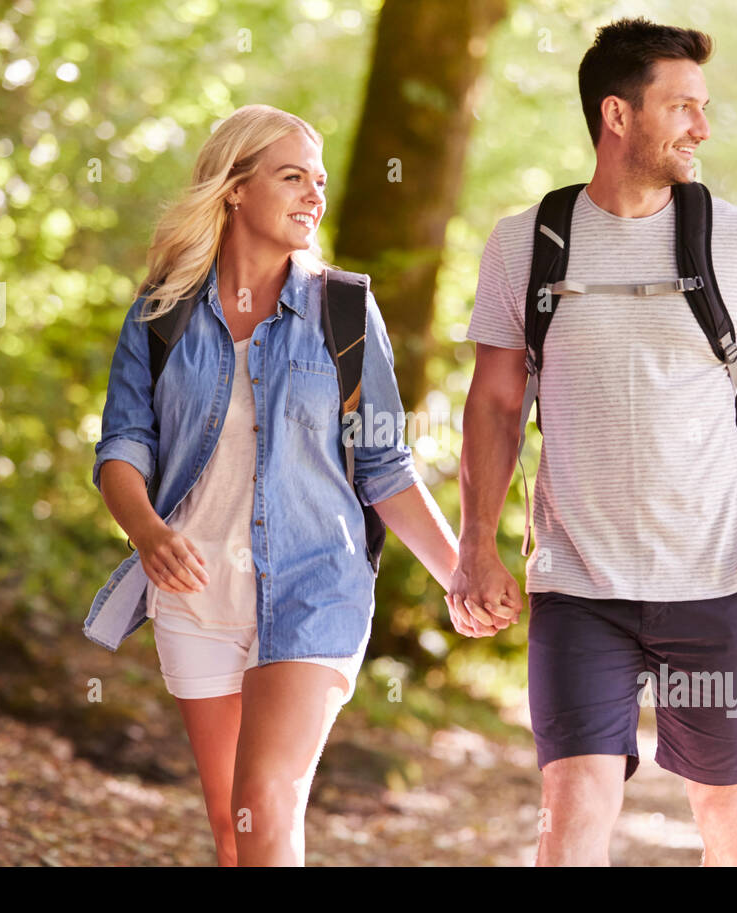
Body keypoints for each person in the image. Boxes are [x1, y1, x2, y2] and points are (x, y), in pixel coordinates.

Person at [83, 104, 493, 866]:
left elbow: (384, 466)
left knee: (266, 799)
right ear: (235, 188)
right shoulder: (161, 313)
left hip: (316, 584)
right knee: (230, 826)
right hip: (195, 593)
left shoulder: (342, 308)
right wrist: (146, 531)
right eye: (293, 177)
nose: (315, 196)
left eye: (322, 181)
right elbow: (123, 446)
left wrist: (460, 573)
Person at [448, 17, 737, 866]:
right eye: (682, 107)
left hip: (717, 579)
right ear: (618, 115)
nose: (702, 128)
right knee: (571, 803)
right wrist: (476, 546)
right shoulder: (525, 246)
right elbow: (496, 403)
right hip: (580, 588)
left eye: (704, 107)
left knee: (725, 809)